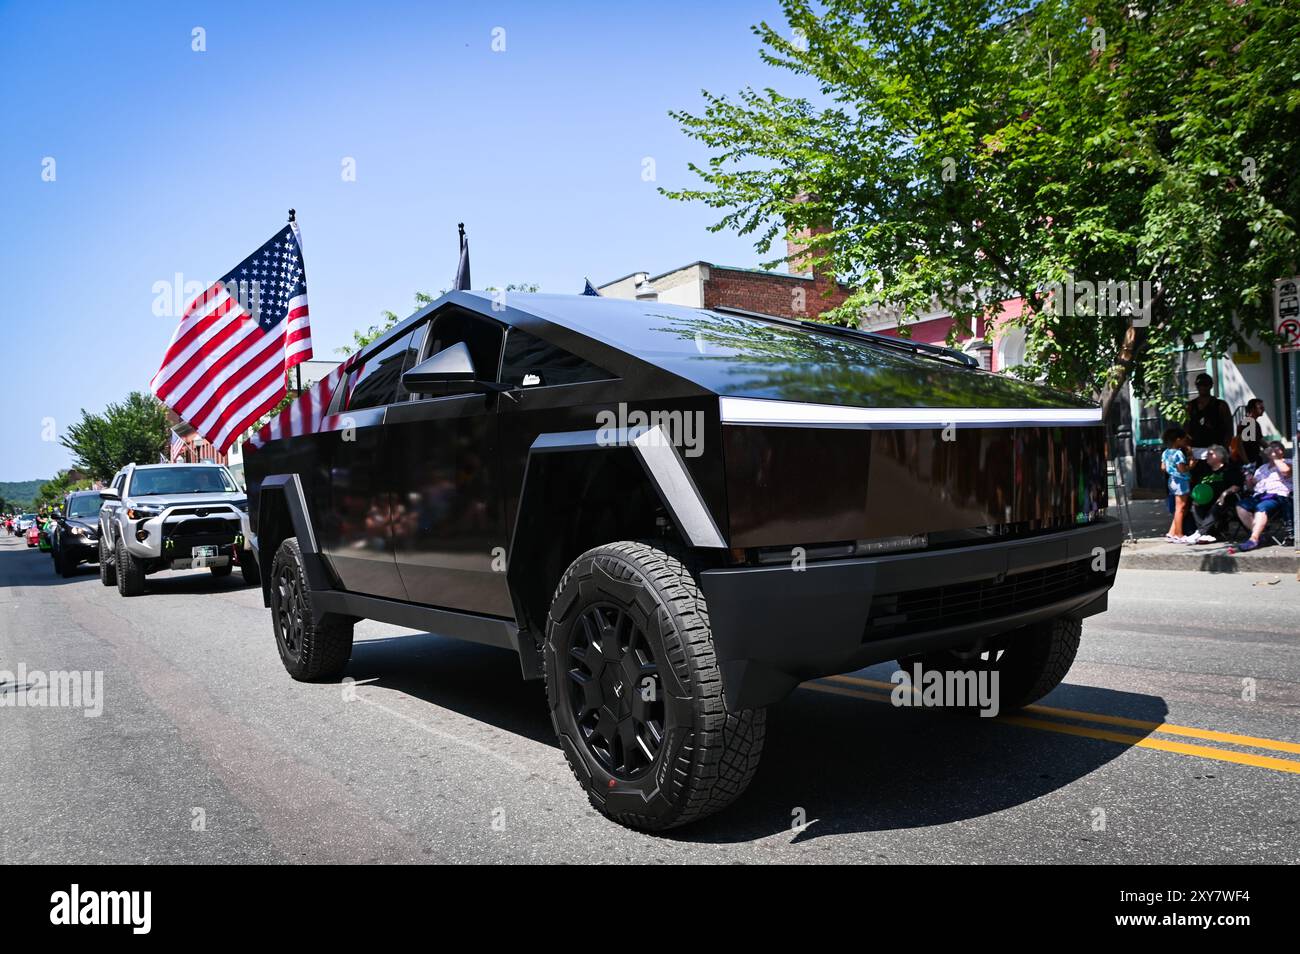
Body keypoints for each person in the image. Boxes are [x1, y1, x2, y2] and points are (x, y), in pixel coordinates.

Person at [1234, 441, 1294, 551]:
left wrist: (1275, 458)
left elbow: (1286, 472)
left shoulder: (1288, 462)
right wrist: (1249, 480)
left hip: (1278, 496)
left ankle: (1253, 539)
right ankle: (1262, 535)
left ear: (1282, 451)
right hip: (1259, 495)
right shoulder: (1262, 468)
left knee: (1261, 507)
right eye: (1271, 449)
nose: (1272, 451)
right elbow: (1252, 488)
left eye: (1276, 449)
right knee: (1241, 506)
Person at [1181, 444, 1244, 544]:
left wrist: (1224, 494)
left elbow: (1236, 486)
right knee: (1194, 504)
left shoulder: (1229, 469)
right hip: (1206, 498)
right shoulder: (1204, 470)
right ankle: (1209, 534)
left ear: (1220, 456)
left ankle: (1200, 533)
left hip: (1224, 499)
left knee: (1217, 504)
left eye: (1210, 454)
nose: (1207, 456)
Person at [1183, 373, 1233, 460]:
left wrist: (1224, 448)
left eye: (1205, 384)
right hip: (1196, 449)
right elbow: (1185, 429)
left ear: (1211, 386)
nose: (1202, 387)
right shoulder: (1190, 406)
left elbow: (1229, 429)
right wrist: (1187, 447)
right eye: (1199, 384)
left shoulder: (1221, 405)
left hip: (1216, 450)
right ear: (1196, 386)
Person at [1160, 427, 1192, 540]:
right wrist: (1192, 465)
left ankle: (1172, 532)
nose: (1185, 442)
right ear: (1177, 440)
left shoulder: (1165, 452)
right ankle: (1179, 534)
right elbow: (1182, 469)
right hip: (1181, 481)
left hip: (1171, 480)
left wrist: (1171, 469)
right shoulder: (1178, 453)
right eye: (1183, 439)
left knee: (1180, 507)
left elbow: (1163, 468)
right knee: (1181, 508)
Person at [1233, 398, 1266, 466]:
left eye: (1263, 407)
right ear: (1252, 409)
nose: (1263, 409)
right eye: (1260, 407)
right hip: (1249, 461)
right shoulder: (1248, 423)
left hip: (1255, 459)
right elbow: (1239, 443)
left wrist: (1273, 450)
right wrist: (1247, 462)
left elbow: (1260, 440)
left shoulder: (1254, 423)